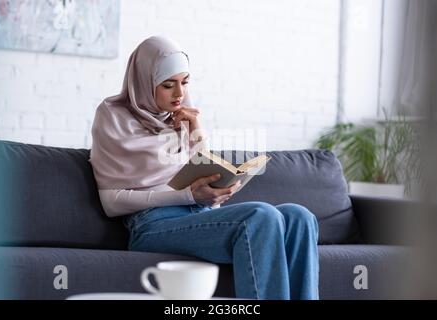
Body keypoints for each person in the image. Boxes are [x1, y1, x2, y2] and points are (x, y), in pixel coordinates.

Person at [89, 36, 319, 300]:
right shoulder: (112, 116)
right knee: (261, 216)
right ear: (144, 81)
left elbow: (201, 178)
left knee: (299, 217)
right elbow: (111, 202)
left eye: (185, 82)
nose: (179, 94)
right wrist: (187, 196)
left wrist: (198, 133)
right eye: (168, 85)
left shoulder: (179, 118)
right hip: (152, 225)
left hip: (198, 215)